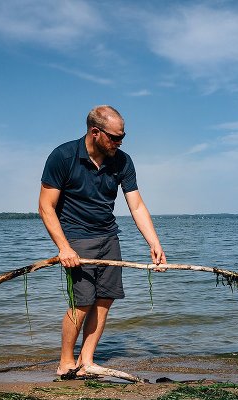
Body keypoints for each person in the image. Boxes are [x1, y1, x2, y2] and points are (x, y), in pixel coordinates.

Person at [38, 105, 166, 379]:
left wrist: (154, 243)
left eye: (123, 137)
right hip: (76, 238)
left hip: (109, 237)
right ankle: (65, 363)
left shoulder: (122, 161)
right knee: (81, 303)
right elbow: (46, 207)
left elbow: (137, 206)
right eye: (115, 137)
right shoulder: (63, 156)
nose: (119, 143)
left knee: (105, 300)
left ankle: (87, 360)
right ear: (95, 132)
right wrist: (64, 247)